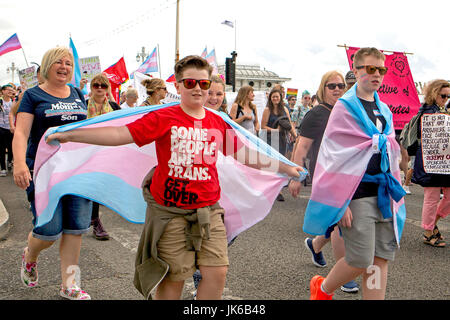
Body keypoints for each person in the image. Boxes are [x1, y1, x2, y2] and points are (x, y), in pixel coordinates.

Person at [45, 55, 303, 300]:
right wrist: (71, 136)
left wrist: (285, 167)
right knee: (172, 280)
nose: (198, 89)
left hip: (209, 211)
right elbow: (119, 135)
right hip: (170, 213)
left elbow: (245, 154)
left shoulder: (216, 121)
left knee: (217, 272)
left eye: (203, 83)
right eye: (190, 83)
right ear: (178, 86)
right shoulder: (163, 117)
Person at [300, 47, 405, 300]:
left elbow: (389, 149)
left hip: (384, 193)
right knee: (359, 259)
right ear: (356, 71)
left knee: (380, 260)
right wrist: (341, 201)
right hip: (356, 194)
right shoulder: (345, 108)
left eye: (381, 70)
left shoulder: (385, 110)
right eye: (371, 69)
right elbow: (332, 156)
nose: (377, 74)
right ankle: (323, 289)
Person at [12, 47, 92, 300]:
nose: (64, 66)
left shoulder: (78, 93)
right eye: (58, 62)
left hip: (77, 170)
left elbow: (86, 130)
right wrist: (19, 164)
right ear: (47, 65)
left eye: (68, 63)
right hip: (44, 171)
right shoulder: (32, 95)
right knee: (48, 230)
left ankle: (70, 284)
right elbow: (22, 132)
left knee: (75, 228)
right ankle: (30, 255)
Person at [289, 71, 358, 293]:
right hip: (326, 174)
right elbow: (302, 146)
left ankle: (316, 244)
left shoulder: (348, 110)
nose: (337, 89)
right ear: (323, 88)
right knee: (340, 220)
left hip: (349, 172)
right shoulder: (316, 114)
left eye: (340, 85)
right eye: (331, 86)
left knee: (339, 219)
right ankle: (343, 273)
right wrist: (296, 176)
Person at [412, 79, 450, 247]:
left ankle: (432, 222)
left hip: (445, 160)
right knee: (432, 197)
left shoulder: (445, 109)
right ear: (434, 94)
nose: (446, 99)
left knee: (447, 198)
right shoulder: (426, 111)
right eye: (443, 95)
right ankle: (428, 232)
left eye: (449, 96)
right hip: (431, 160)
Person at [86, 73, 121, 240]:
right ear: (91, 87)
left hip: (107, 152)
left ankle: (94, 218)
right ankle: (92, 219)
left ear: (108, 88)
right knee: (88, 186)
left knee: (98, 186)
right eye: (96, 85)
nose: (100, 88)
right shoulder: (83, 105)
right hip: (85, 152)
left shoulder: (114, 106)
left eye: (103, 85)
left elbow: (125, 126)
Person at [262, 89, 297, 201]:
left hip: (282, 139)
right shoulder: (267, 110)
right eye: (273, 97)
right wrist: (274, 130)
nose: (275, 99)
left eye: (277, 97)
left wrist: (295, 135)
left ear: (280, 98)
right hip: (271, 139)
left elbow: (289, 124)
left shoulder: (285, 109)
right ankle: (272, 189)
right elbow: (263, 127)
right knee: (272, 165)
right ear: (270, 98)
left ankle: (278, 189)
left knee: (280, 164)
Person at [1, 84, 15, 176]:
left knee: (11, 147)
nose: (10, 91)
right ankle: (3, 168)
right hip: (1, 127)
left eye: (11, 89)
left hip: (12, 128)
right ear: (3, 91)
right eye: (8, 90)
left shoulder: (14, 102)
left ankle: (10, 161)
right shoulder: (0, 101)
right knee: (1, 148)